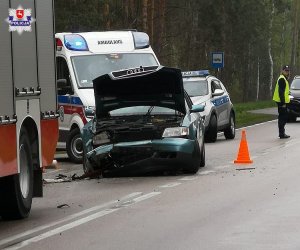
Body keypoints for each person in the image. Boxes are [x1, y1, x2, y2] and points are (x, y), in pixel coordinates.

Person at [272, 65, 291, 139]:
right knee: (283, 117)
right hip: (281, 101)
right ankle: (282, 133)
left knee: (283, 116)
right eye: (286, 71)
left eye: (288, 70)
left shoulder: (284, 78)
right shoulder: (282, 79)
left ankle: (282, 133)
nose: (287, 72)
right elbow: (281, 92)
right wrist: (283, 103)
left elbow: (284, 91)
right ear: (282, 71)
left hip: (282, 101)